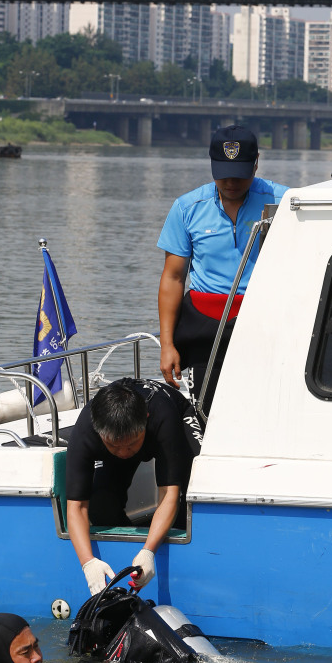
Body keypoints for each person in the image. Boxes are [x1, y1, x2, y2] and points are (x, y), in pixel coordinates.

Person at [157, 123, 288, 413]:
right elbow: (173, 277)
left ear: (256, 164)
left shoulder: (286, 203)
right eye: (223, 175)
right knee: (207, 410)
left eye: (239, 175)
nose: (231, 183)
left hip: (264, 322)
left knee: (265, 407)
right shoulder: (187, 208)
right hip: (205, 327)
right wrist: (167, 345)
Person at [66, 377, 202, 596]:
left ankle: (160, 558)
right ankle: (130, 560)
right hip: (121, 434)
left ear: (145, 421)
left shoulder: (160, 416)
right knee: (101, 506)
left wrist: (149, 551)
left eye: (131, 444)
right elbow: (77, 506)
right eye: (114, 446)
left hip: (173, 415)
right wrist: (88, 562)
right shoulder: (85, 429)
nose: (124, 453)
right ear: (99, 432)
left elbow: (169, 495)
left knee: (188, 499)